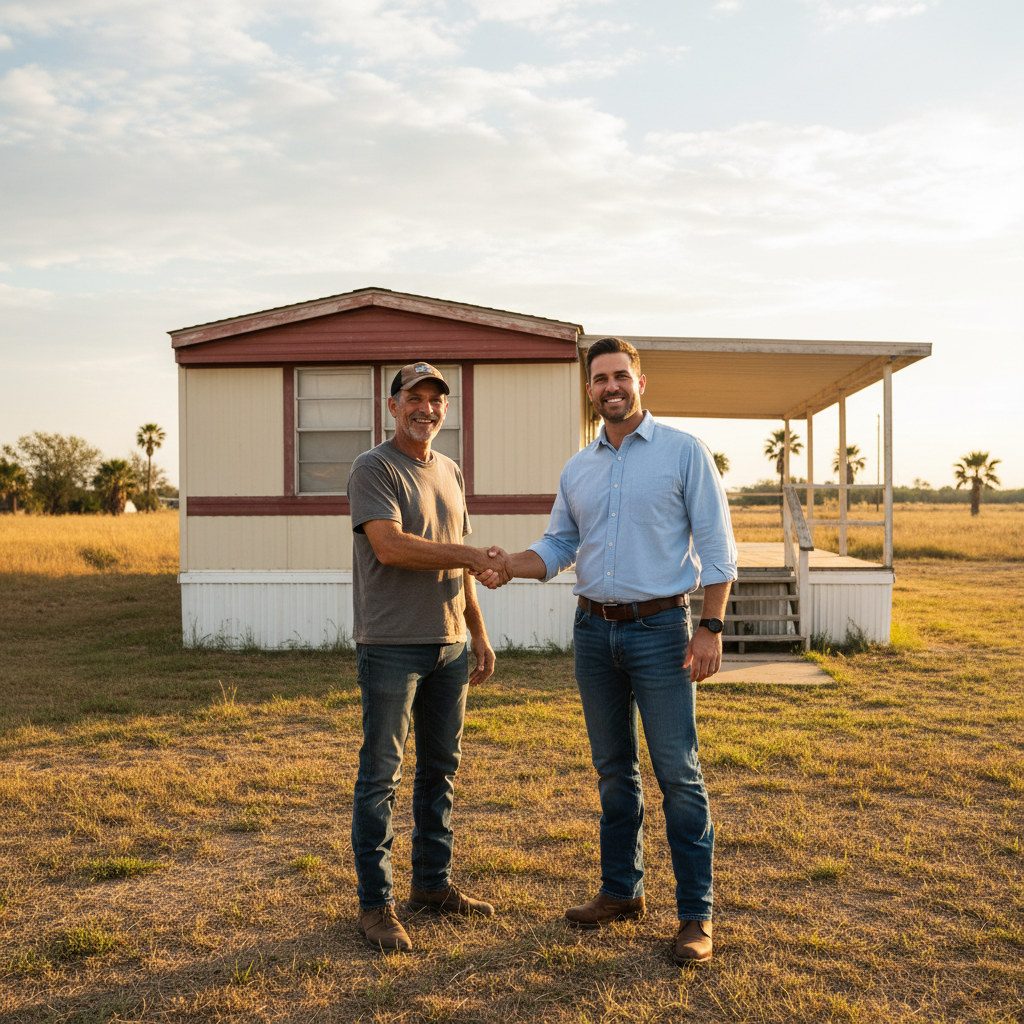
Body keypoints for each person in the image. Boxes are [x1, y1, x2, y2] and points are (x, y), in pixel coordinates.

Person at [478, 337, 737, 964]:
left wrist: (711, 627)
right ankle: (621, 892)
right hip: (594, 633)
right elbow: (559, 545)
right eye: (600, 379)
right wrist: (510, 565)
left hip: (662, 634)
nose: (611, 387)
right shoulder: (579, 468)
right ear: (589, 390)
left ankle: (696, 917)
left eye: (621, 375)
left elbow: (718, 548)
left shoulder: (683, 453)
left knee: (678, 774)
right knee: (613, 772)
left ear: (640, 383)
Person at [347, 361, 512, 952]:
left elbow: (455, 563)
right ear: (392, 407)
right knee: (380, 779)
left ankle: (432, 887)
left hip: (450, 647)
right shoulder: (373, 467)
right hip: (391, 645)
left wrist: (478, 630)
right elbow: (390, 548)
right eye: (413, 398)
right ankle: (376, 905)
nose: (426, 408)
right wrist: (471, 555)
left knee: (441, 771)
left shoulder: (449, 469)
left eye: (436, 400)